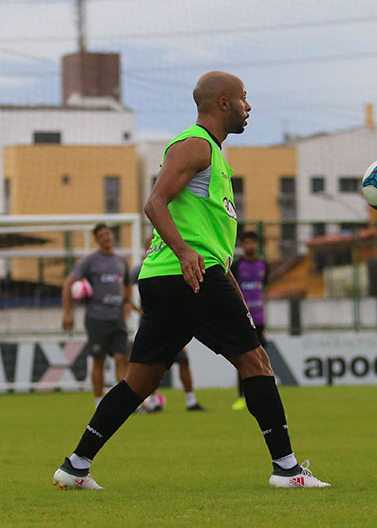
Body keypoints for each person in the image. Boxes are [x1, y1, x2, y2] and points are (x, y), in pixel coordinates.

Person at [53, 71, 329, 490]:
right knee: (256, 364)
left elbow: (208, 240)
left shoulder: (214, 157)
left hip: (174, 279)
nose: (248, 107)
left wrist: (223, 280)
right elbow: (154, 203)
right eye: (243, 99)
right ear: (223, 102)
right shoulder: (195, 144)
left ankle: (75, 466)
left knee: (140, 380)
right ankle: (288, 470)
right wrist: (185, 253)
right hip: (188, 276)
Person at [62, 224, 132, 408]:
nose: (106, 237)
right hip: (96, 317)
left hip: (117, 318)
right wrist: (67, 313)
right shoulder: (90, 261)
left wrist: (127, 301)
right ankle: (99, 403)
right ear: (97, 239)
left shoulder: (120, 261)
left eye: (108, 233)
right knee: (98, 359)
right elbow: (68, 283)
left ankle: (123, 402)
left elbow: (127, 283)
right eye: (101, 235)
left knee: (122, 358)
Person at [130, 262, 206, 412]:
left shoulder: (176, 265)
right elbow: (126, 290)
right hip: (153, 323)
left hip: (175, 322)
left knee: (183, 360)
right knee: (148, 366)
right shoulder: (142, 269)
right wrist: (138, 310)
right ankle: (147, 401)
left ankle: (191, 401)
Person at [230, 230, 268, 410]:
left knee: (261, 359)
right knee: (243, 358)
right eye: (247, 243)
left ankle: (262, 397)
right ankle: (241, 396)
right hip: (243, 319)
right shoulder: (237, 266)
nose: (250, 246)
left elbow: (263, 291)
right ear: (242, 245)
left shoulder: (264, 265)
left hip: (260, 319)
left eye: (253, 242)